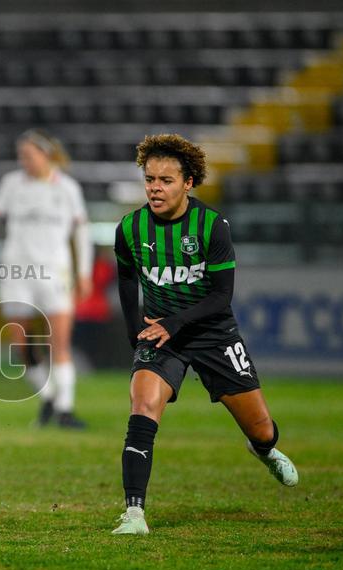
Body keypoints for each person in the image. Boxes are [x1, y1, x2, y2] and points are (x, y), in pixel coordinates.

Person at [111, 134, 297, 535]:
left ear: (188, 183)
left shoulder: (212, 226)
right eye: (149, 179)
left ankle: (262, 450)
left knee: (262, 428)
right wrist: (133, 328)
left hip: (213, 332)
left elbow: (221, 296)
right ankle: (134, 513)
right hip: (161, 335)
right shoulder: (130, 228)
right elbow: (126, 276)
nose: (155, 188)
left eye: (165, 180)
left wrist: (176, 322)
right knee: (142, 407)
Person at [0, 130, 93, 428]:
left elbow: (81, 232)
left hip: (55, 272)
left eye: (28, 155)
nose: (23, 160)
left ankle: (65, 410)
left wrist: (84, 273)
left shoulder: (66, 188)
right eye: (21, 156)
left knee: (59, 343)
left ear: (46, 155)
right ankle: (49, 396)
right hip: (16, 273)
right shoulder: (12, 185)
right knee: (22, 345)